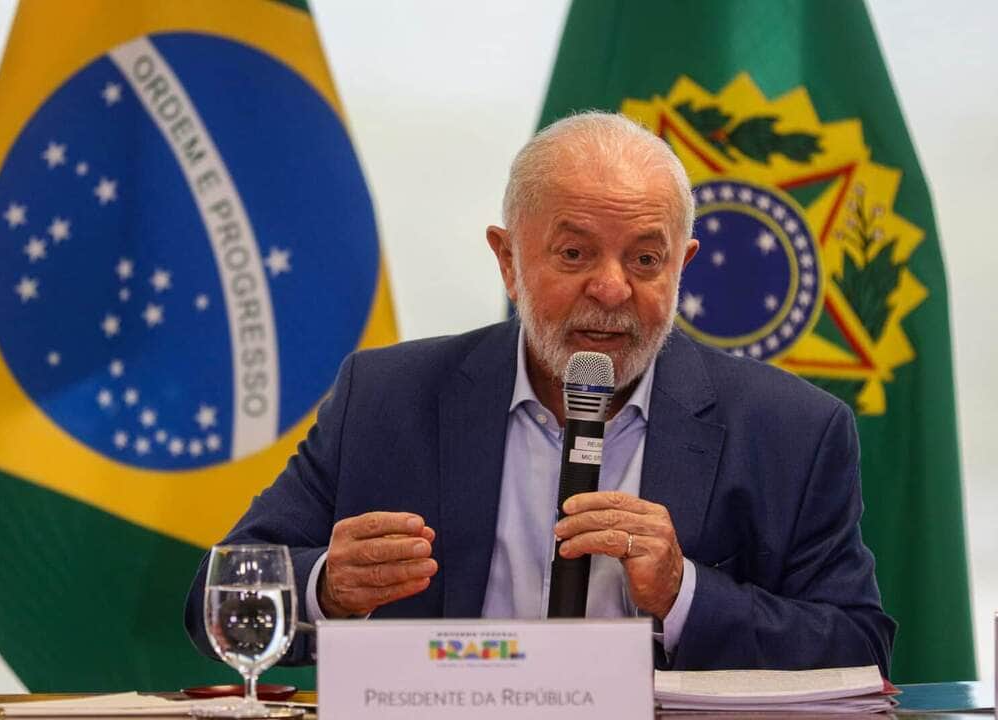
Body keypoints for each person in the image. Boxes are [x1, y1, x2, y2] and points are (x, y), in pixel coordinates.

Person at [185, 111, 895, 674]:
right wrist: (327, 588)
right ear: (508, 260)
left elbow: (859, 646)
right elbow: (216, 604)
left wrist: (684, 595)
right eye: (575, 252)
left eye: (646, 259)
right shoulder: (386, 398)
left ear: (683, 268)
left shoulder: (791, 430)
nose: (612, 288)